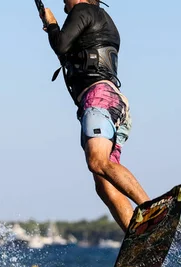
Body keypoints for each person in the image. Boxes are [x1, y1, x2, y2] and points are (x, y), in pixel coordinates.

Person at [39, 0, 150, 232]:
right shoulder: (99, 18)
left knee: (97, 162)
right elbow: (67, 51)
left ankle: (151, 211)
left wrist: (51, 26)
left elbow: (60, 45)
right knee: (104, 182)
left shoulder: (84, 9)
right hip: (112, 102)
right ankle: (138, 234)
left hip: (98, 98)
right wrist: (54, 28)